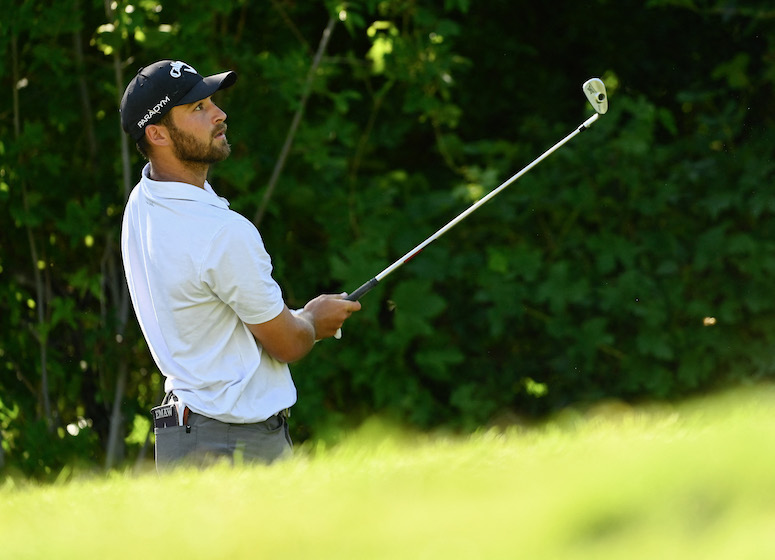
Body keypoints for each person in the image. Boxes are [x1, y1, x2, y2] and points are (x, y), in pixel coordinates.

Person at [119, 59, 361, 470]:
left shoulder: (143, 201)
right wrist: (313, 321)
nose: (219, 114)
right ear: (157, 133)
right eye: (197, 108)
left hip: (185, 438)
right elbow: (288, 343)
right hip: (235, 446)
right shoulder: (223, 233)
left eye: (211, 101)